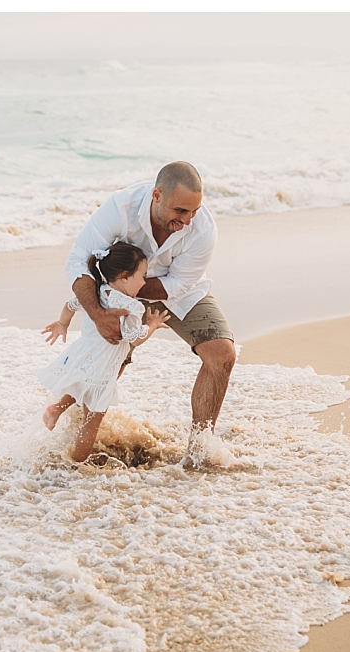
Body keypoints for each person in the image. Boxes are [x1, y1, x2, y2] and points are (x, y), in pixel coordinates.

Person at [65, 161, 236, 461]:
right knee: (105, 364)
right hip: (121, 290)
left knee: (222, 354)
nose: (187, 220)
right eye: (180, 211)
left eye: (194, 211)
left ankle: (199, 452)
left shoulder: (203, 230)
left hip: (173, 291)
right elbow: (79, 259)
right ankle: (77, 439)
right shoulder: (121, 208)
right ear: (157, 195)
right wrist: (98, 313)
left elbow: (179, 283)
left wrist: (138, 291)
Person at [37, 242, 170, 462]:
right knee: (91, 422)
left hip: (84, 354)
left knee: (80, 384)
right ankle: (78, 465)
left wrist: (62, 323)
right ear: (125, 276)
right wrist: (152, 325)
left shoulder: (95, 293)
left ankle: (57, 409)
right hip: (104, 364)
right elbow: (135, 338)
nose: (144, 282)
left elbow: (70, 305)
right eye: (143, 276)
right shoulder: (132, 306)